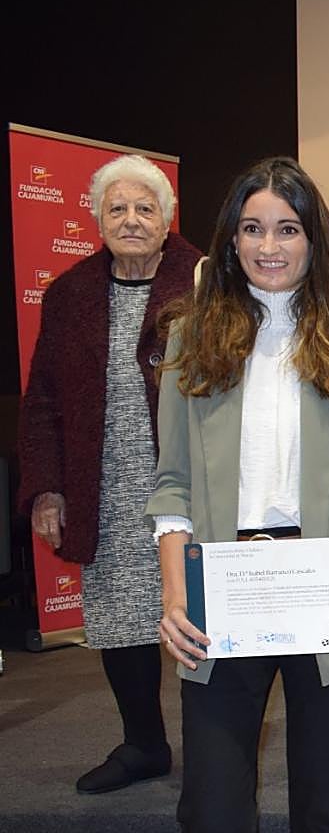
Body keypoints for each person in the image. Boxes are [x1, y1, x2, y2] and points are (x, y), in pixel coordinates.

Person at [148, 156, 329, 832]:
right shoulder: (190, 337)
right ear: (230, 239)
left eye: (288, 228)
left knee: (326, 803)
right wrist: (176, 596)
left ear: (313, 239)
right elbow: (172, 485)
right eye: (253, 228)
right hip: (223, 584)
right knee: (213, 807)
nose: (269, 245)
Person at [17, 154, 200, 794]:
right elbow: (42, 396)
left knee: (207, 613)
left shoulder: (205, 281)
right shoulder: (69, 294)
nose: (130, 220)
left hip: (194, 481)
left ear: (167, 217)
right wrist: (47, 486)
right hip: (105, 484)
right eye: (116, 208)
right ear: (96, 218)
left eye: (145, 208)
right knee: (121, 617)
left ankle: (215, 747)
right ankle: (144, 743)